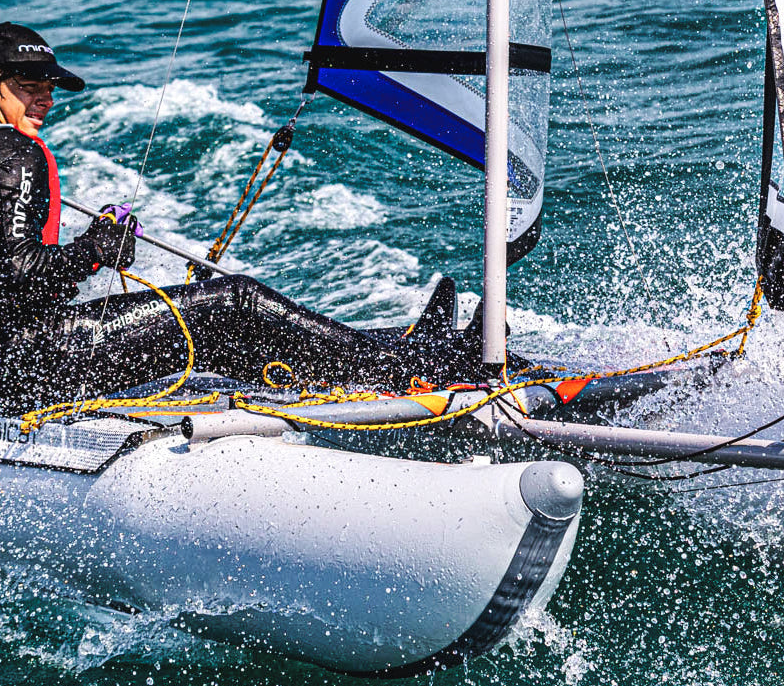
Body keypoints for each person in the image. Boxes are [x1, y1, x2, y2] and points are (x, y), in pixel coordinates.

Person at [0, 23, 478, 413]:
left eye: (48, 88)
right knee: (237, 301)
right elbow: (17, 269)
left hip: (22, 363)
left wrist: (92, 247)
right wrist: (95, 249)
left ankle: (398, 352)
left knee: (226, 340)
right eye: (28, 87)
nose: (46, 99)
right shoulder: (15, 151)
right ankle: (406, 370)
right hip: (39, 360)